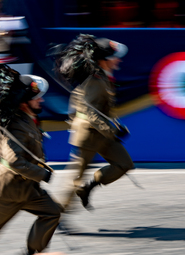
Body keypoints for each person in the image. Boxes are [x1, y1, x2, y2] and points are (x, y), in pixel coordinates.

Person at [55, 34, 134, 210]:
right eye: (114, 58)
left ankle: (88, 188)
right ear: (103, 60)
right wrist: (112, 129)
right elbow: (90, 110)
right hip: (89, 133)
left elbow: (98, 107)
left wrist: (115, 124)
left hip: (101, 131)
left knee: (124, 164)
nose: (118, 61)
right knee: (76, 175)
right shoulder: (95, 80)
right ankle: (58, 214)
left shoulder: (102, 77)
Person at [0, 65, 62, 255]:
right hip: (9, 190)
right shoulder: (15, 125)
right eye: (37, 98)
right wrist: (41, 173)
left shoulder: (29, 118)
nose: (41, 100)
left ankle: (33, 252)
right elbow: (13, 161)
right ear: (25, 103)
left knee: (52, 212)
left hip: (28, 188)